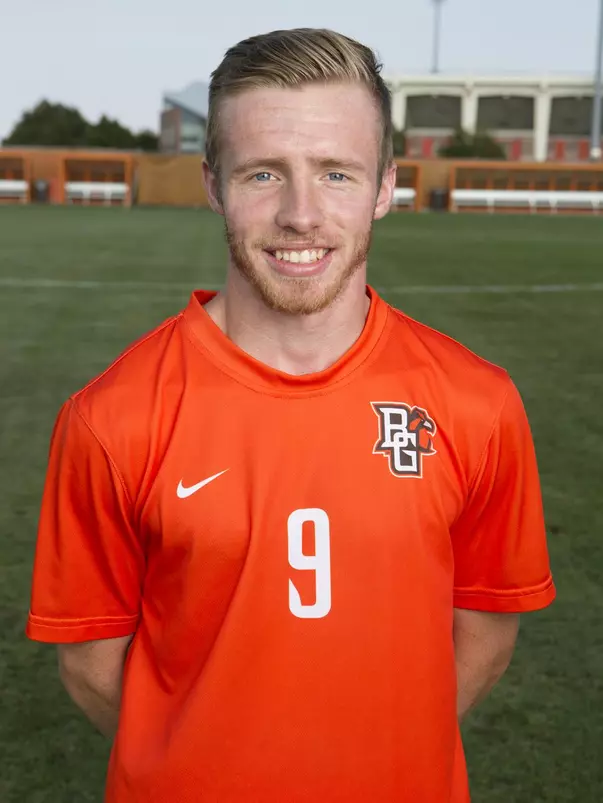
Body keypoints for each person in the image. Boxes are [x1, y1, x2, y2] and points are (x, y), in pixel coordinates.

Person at [26, 28, 555, 803]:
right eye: (264, 173)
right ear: (213, 183)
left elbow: (485, 630)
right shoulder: (112, 417)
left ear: (383, 186)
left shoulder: (476, 402)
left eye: (336, 173)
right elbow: (89, 662)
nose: (300, 213)